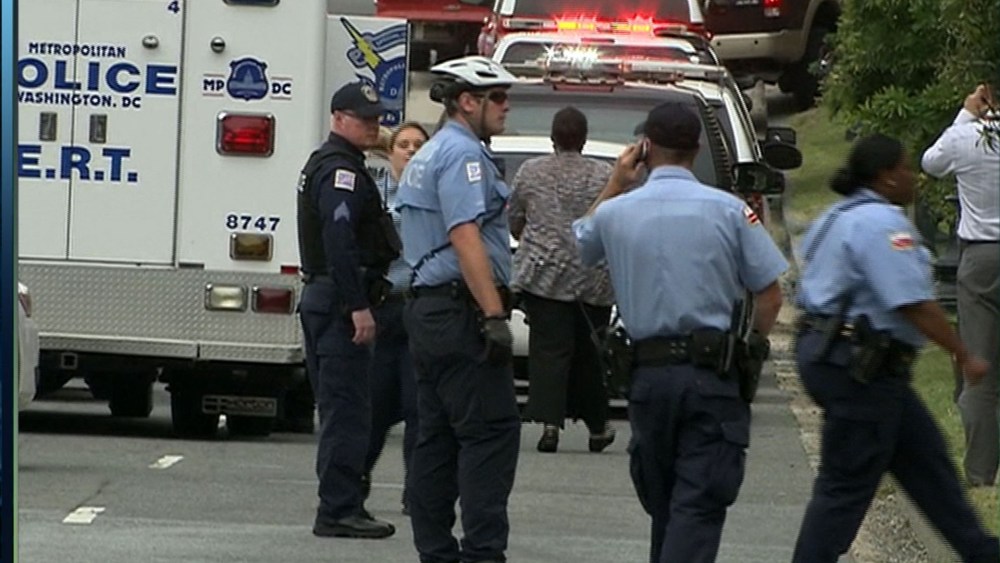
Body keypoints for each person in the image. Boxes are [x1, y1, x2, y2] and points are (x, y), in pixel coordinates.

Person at [573, 102, 787, 563]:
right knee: (698, 503)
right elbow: (770, 296)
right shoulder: (730, 211)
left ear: (645, 148)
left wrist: (615, 183)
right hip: (712, 375)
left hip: (647, 379)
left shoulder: (615, 213)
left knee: (666, 504)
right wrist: (750, 350)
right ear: (697, 149)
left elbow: (582, 245)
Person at [791, 133, 1000, 563]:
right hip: (860, 368)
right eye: (905, 168)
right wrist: (963, 353)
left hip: (840, 357)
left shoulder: (836, 216)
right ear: (886, 177)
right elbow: (913, 303)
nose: (912, 177)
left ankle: (982, 552)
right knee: (845, 486)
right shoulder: (882, 224)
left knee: (931, 472)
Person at [396, 55, 521, 563]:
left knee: (438, 436)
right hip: (459, 311)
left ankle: (435, 551)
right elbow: (464, 233)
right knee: (490, 433)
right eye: (498, 97)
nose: (506, 106)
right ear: (467, 102)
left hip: (429, 311)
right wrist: (493, 314)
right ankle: (481, 554)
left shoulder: (430, 152)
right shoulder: (463, 155)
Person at [296, 81, 402, 540]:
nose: (373, 126)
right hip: (339, 302)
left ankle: (343, 503)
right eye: (364, 119)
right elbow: (339, 240)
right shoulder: (340, 172)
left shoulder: (337, 164)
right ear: (338, 118)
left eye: (377, 119)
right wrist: (357, 305)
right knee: (347, 411)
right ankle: (338, 509)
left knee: (345, 408)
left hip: (328, 298)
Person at [509, 106, 617, 454]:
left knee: (549, 351)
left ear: (552, 137)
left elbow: (515, 218)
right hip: (592, 278)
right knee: (590, 353)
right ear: (584, 139)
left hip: (544, 276)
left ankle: (550, 425)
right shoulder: (604, 174)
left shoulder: (531, 171)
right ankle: (598, 426)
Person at [921, 84, 1000, 488]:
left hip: (982, 253)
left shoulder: (967, 137)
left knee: (980, 365)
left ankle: (981, 471)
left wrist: (966, 114)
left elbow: (931, 163)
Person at [361, 122, 430, 516]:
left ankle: (416, 491)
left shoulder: (434, 195)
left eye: (419, 144)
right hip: (384, 307)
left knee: (419, 406)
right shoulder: (376, 193)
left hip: (420, 309)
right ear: (391, 153)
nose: (411, 151)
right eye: (404, 144)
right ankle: (356, 482)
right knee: (375, 405)